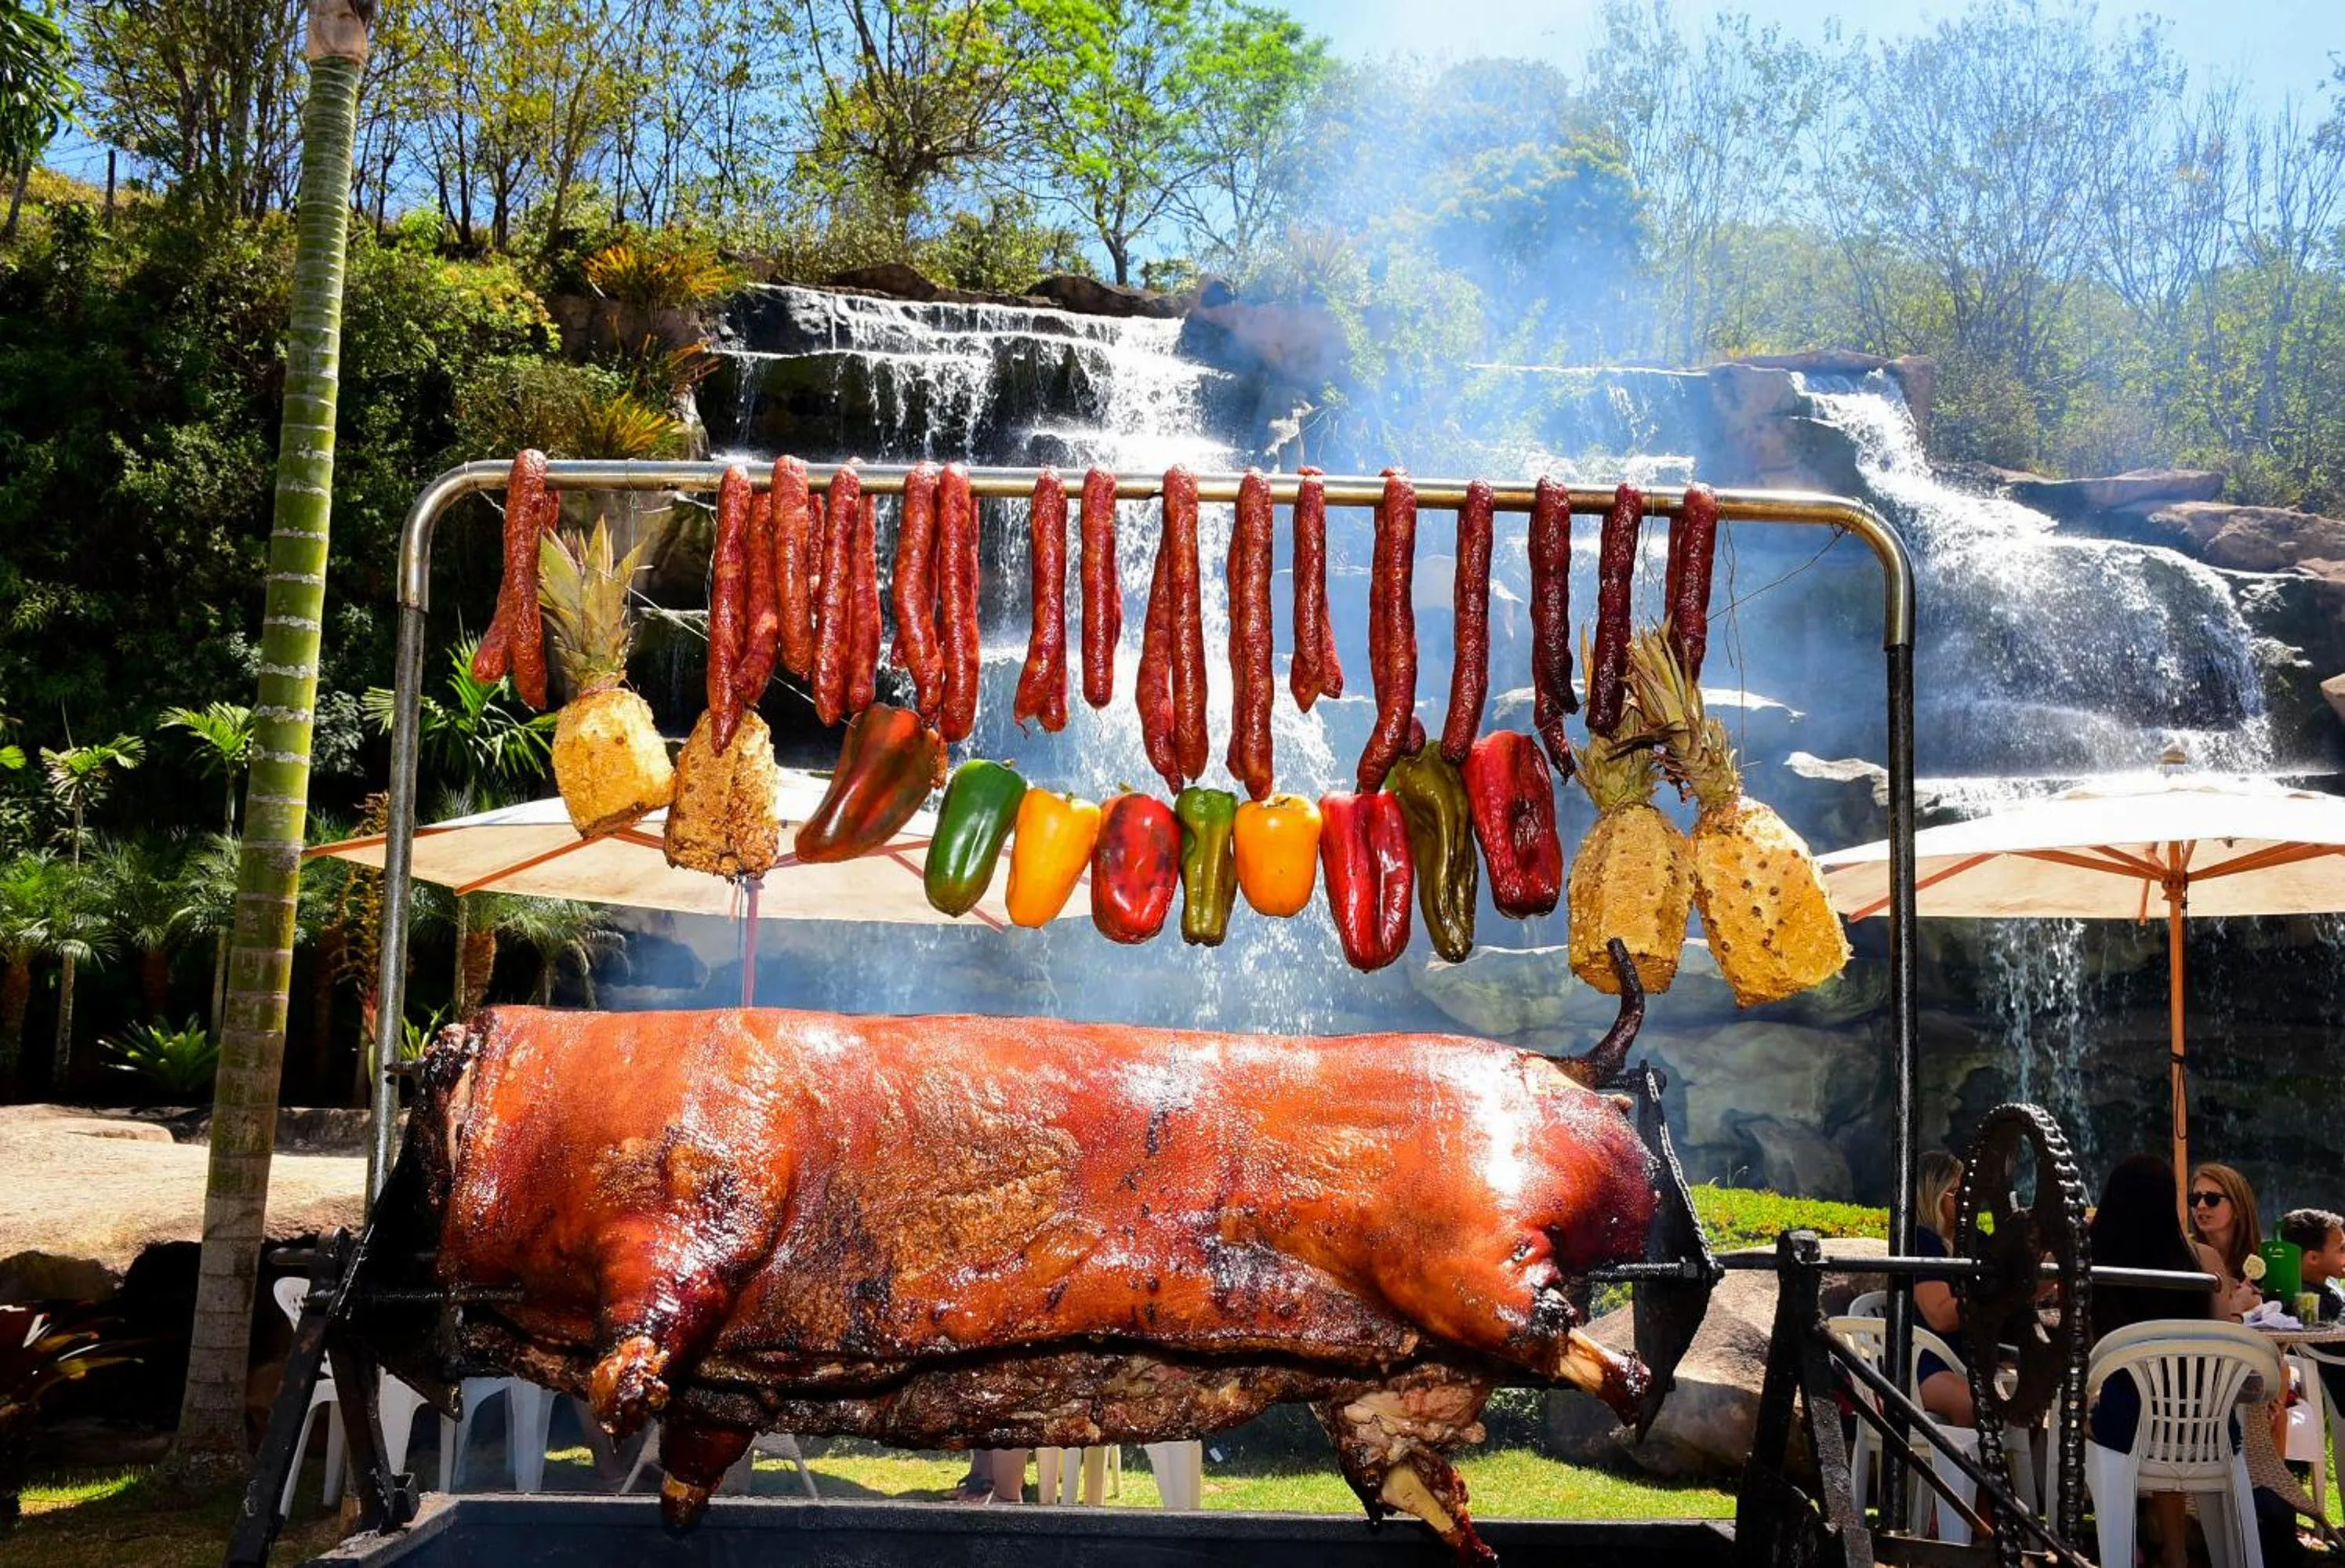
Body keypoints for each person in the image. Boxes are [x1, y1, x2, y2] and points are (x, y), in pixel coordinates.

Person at [2093, 1156, 2300, 1568]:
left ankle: (2125, 1546)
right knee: (2169, 1407)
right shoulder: (2202, 1261)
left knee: (2084, 1416)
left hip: (2129, 1426)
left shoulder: (2093, 1262)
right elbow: (2220, 1340)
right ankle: (2177, 1552)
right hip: (2203, 1428)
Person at [1906, 1151, 1975, 1425]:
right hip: (1924, 1363)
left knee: (2025, 1408)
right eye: (1956, 1193)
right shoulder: (1921, 1241)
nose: (1966, 1200)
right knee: (1974, 1405)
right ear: (1932, 1194)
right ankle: (1960, 1470)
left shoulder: (1969, 1240)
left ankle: (2013, 1469)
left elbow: (2022, 1286)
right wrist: (1995, 1294)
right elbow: (1941, 1316)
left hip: (1965, 1359)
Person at [2188, 1162, 2266, 1320]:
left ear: (2238, 1207)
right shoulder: (2186, 1256)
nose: (2201, 1206)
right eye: (2194, 1199)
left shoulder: (2264, 1262)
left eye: (2212, 1199)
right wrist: (2238, 1304)